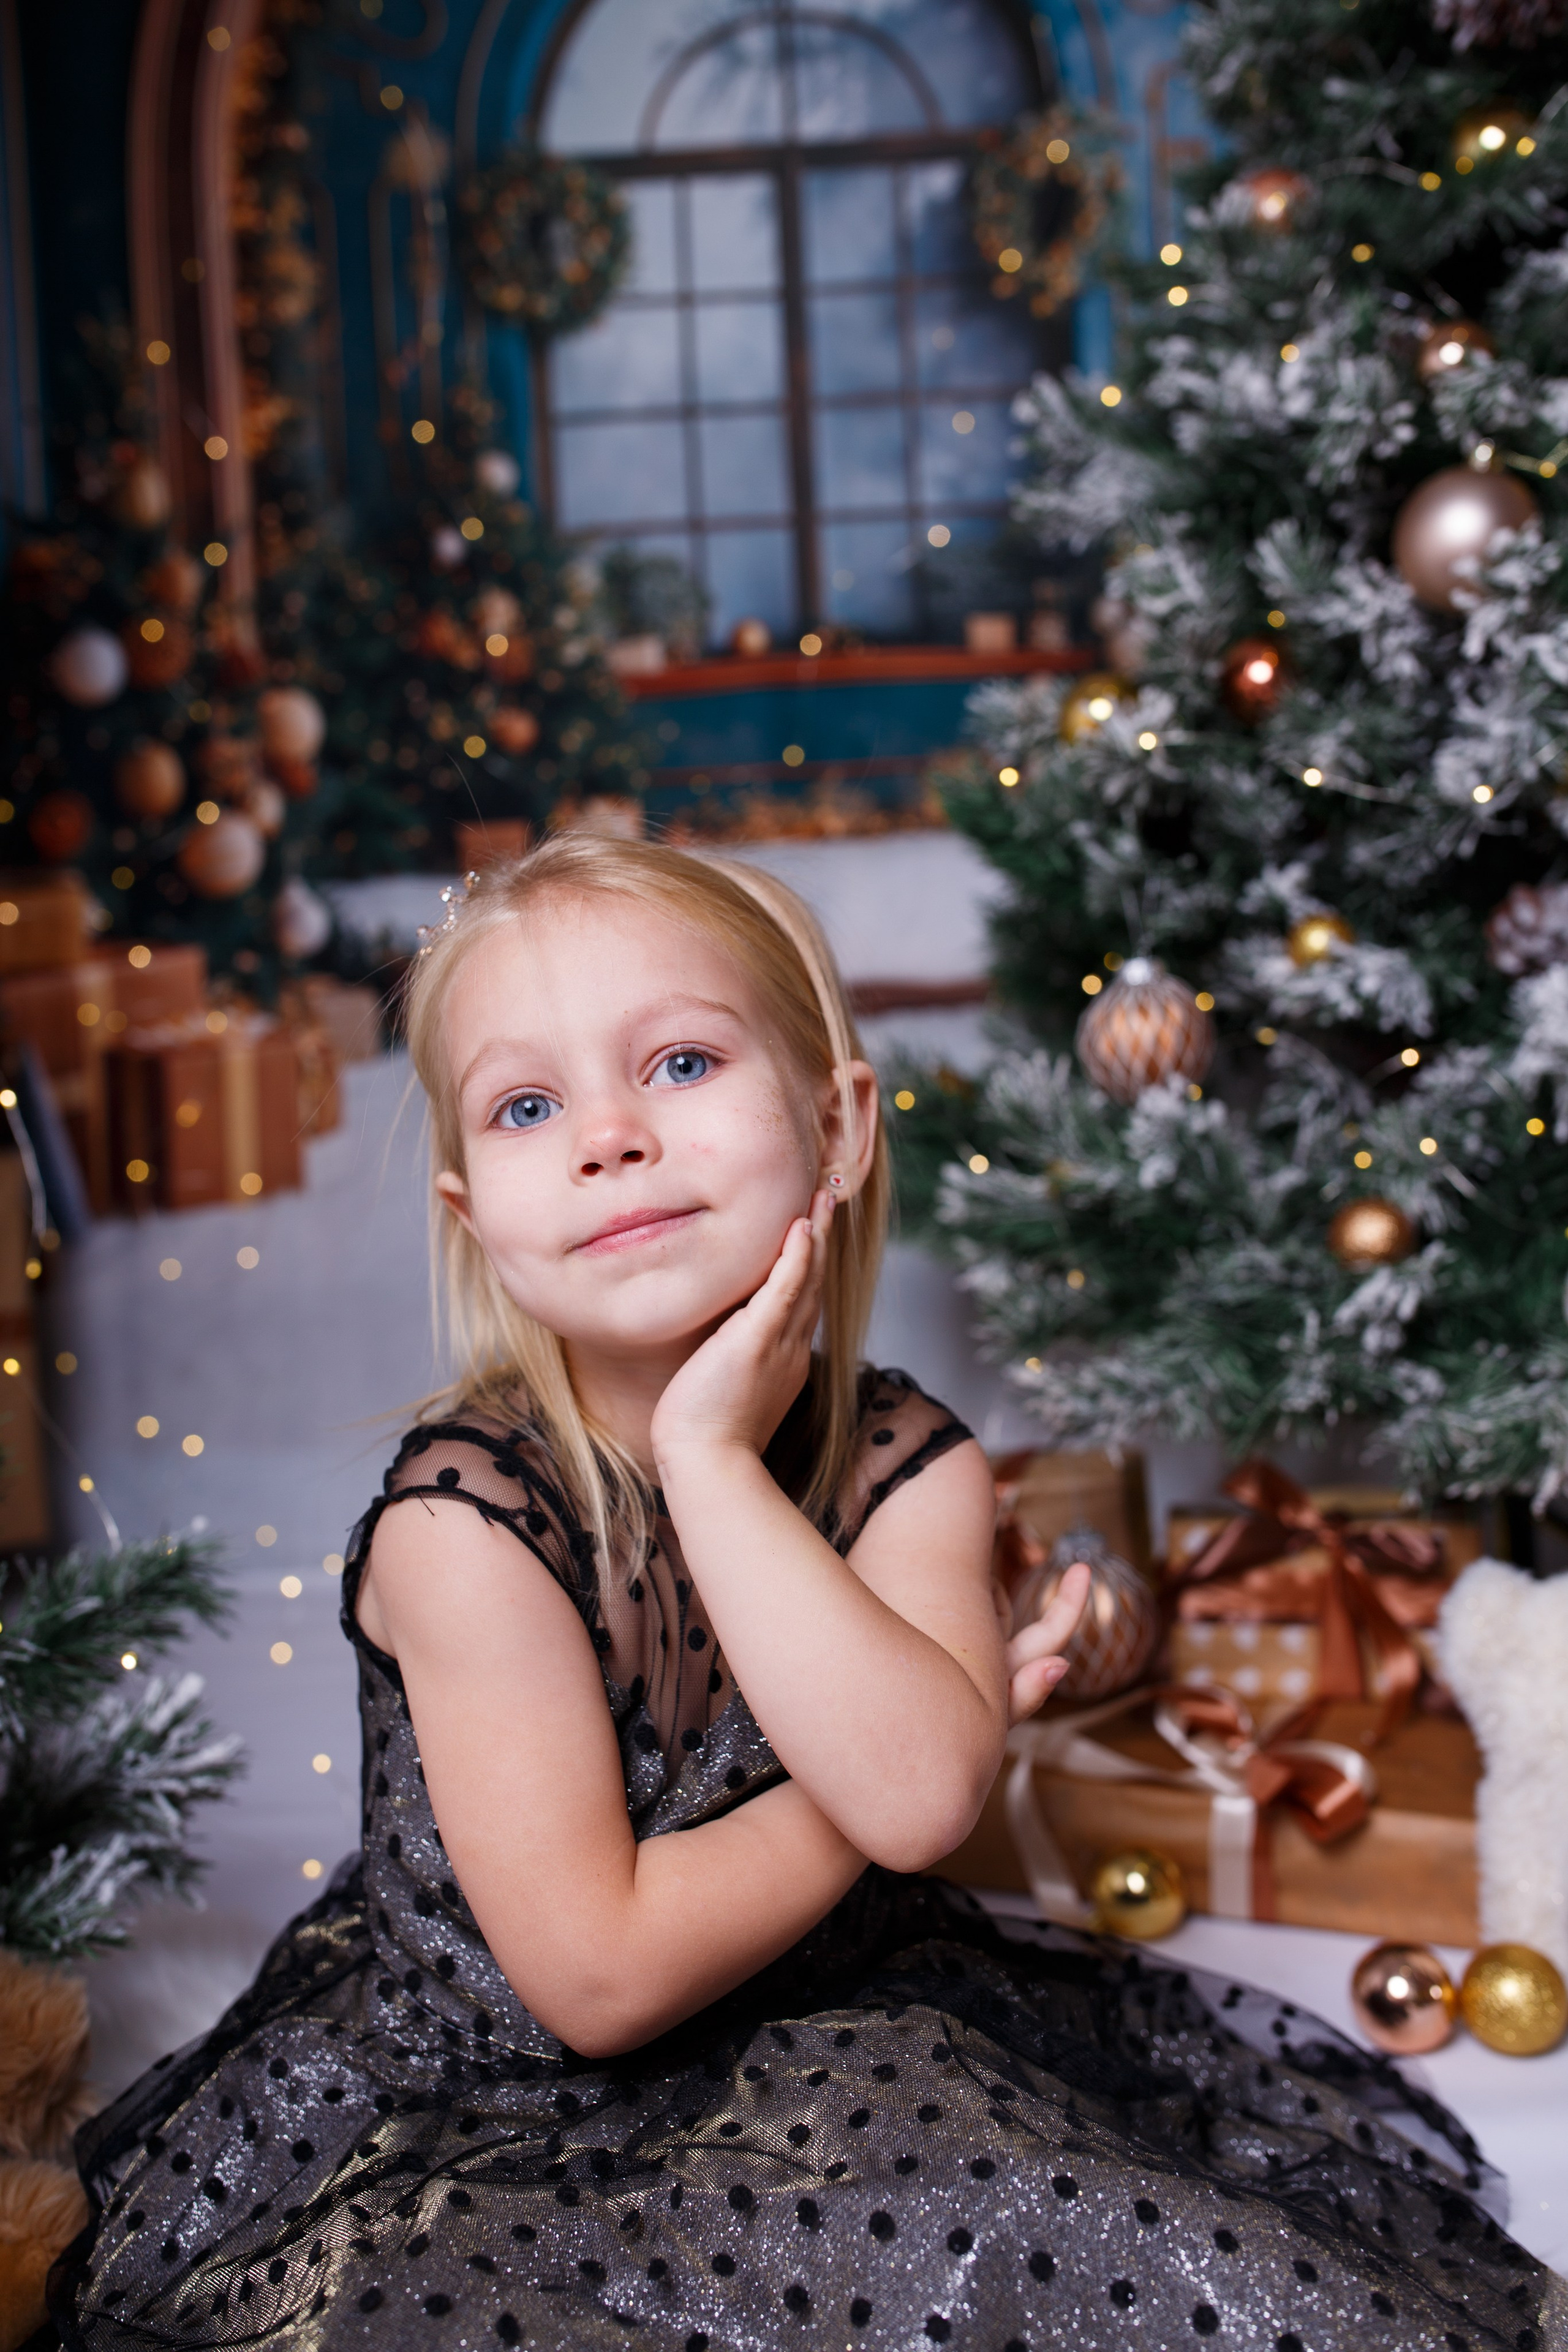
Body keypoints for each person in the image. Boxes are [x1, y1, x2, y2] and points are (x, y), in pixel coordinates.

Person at [52, 839, 1560, 2350]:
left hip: (835, 2020)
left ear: (834, 1125)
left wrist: (713, 1461)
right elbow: (600, 1980)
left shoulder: (907, 1461)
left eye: (682, 1062)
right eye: (528, 1105)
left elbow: (918, 1803)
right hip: (498, 2105)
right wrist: (935, 1709)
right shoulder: (469, 1529)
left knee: (1066, 2220)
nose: (609, 1137)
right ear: (473, 1211)